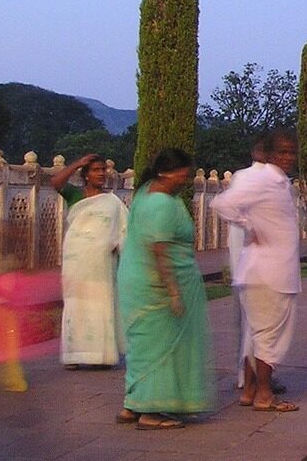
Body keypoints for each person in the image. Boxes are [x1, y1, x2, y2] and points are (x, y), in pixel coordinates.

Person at [116, 148, 211, 430]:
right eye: (182, 173)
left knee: (143, 345)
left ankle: (133, 405)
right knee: (161, 346)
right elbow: (159, 249)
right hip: (156, 285)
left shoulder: (146, 193)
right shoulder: (160, 203)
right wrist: (173, 291)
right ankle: (152, 411)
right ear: (165, 173)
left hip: (138, 281)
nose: (185, 179)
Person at [210, 130, 301, 413]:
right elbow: (221, 204)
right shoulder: (262, 179)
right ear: (269, 154)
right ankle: (264, 394)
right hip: (268, 272)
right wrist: (248, 225)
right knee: (268, 337)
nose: (287, 158)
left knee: (258, 334)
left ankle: (250, 390)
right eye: (282, 152)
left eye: (291, 152)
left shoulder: (279, 182)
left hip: (275, 269)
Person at [50, 153, 128, 370]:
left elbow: (125, 231)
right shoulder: (76, 195)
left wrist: (116, 244)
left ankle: (100, 356)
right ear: (85, 174)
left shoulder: (112, 202)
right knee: (76, 304)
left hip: (102, 263)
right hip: (77, 260)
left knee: (101, 304)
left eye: (103, 170)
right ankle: (74, 355)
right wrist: (77, 163)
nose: (101, 174)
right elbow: (56, 182)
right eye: (95, 170)